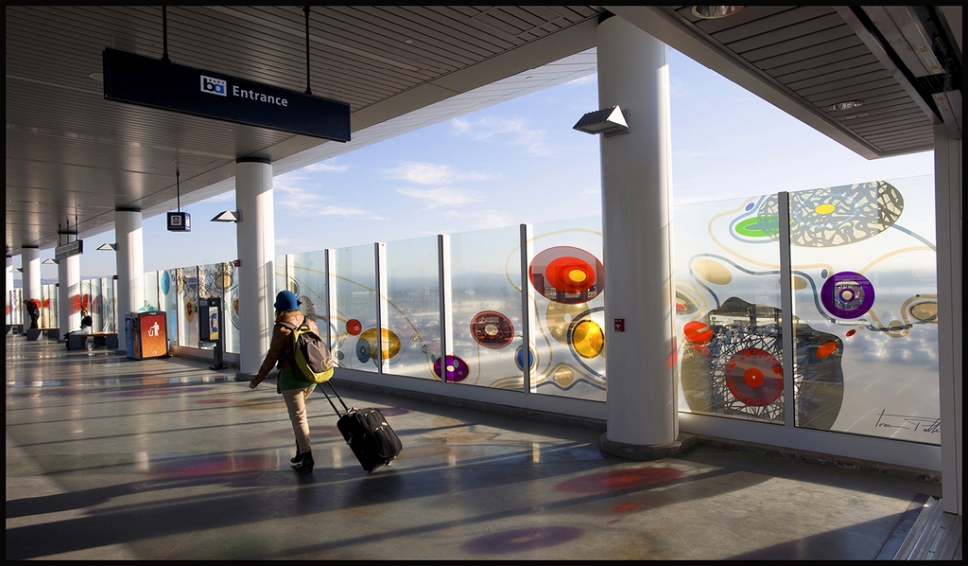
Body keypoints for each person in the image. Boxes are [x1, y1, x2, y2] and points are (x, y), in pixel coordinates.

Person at [249, 290, 320, 474]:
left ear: (279, 309)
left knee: (298, 418)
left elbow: (272, 356)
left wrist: (257, 379)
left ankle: (307, 457)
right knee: (299, 417)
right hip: (311, 378)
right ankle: (300, 452)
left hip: (292, 379)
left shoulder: (282, 327)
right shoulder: (309, 322)